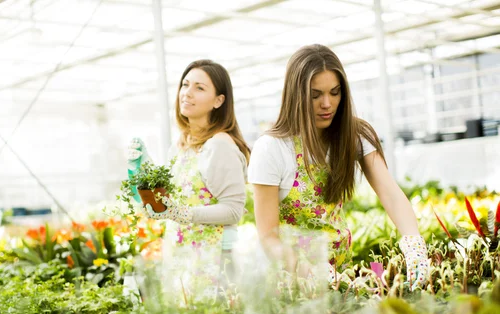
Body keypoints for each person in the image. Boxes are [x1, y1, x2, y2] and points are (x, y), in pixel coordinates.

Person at [248, 44, 428, 291]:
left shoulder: (352, 135)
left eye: (335, 92)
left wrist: (414, 243)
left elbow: (391, 193)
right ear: (295, 95)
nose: (327, 104)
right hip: (293, 283)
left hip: (344, 276)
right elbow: (268, 236)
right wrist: (307, 270)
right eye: (315, 95)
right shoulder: (271, 148)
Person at [126, 59, 250, 300]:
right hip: (181, 259)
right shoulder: (181, 144)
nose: (187, 93)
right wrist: (142, 167)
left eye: (199, 88)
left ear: (219, 101)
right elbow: (175, 198)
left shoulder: (219, 146)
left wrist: (183, 214)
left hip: (212, 264)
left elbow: (234, 210)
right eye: (185, 85)